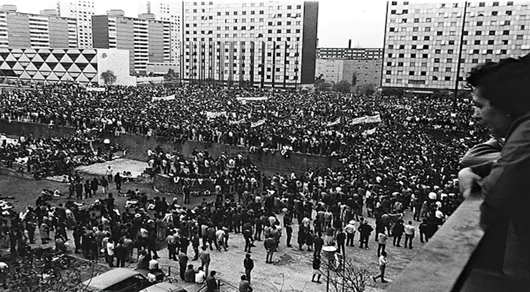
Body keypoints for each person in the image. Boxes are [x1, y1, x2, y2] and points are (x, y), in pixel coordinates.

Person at [459, 55, 530, 272]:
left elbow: (490, 203)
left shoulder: (525, 134)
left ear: (505, 104)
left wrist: (466, 179)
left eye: (479, 105)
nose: (476, 115)